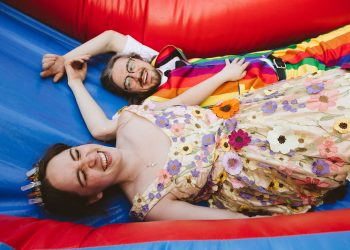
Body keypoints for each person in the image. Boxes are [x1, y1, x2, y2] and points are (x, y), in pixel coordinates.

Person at [24, 54, 350, 221]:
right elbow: (231, 222)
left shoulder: (131, 119)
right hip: (261, 164)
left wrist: (75, 80)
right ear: (93, 197)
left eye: (78, 154)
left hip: (252, 115)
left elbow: (183, 102)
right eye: (83, 175)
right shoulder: (151, 204)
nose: (91, 159)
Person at [40, 25, 350, 106]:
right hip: (287, 89)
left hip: (281, 59)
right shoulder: (158, 103)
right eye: (129, 81)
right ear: (132, 94)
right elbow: (107, 130)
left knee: (338, 41)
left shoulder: (163, 62)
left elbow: (109, 39)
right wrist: (74, 80)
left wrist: (66, 59)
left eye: (132, 67)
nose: (136, 74)